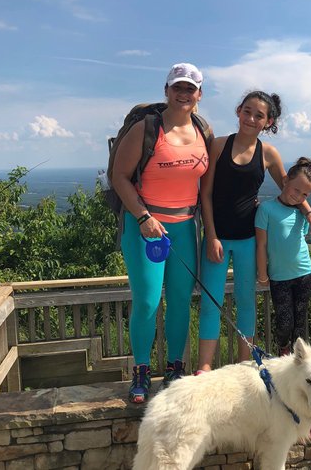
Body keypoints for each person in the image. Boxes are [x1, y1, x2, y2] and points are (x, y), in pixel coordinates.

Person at [197, 91, 311, 373]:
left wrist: (309, 211)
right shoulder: (217, 146)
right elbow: (205, 195)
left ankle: (244, 366)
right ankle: (204, 368)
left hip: (248, 240)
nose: (251, 118)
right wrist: (212, 235)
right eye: (247, 111)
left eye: (259, 115)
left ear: (268, 122)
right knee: (210, 302)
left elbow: (291, 188)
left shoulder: (268, 153)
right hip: (218, 238)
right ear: (238, 110)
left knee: (246, 302)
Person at [112, 63, 213, 403]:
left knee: (181, 302)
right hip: (145, 228)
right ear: (167, 90)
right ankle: (141, 371)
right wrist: (142, 217)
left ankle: (174, 369)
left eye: (190, 88)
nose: (183, 94)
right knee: (147, 301)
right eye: (177, 87)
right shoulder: (146, 129)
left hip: (185, 226)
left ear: (199, 94)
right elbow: (119, 176)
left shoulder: (203, 130)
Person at [255, 157, 311, 356]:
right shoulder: (266, 209)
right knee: (285, 323)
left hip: (304, 272)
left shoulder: (303, 212)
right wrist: (263, 274)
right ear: (285, 181)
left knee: (300, 322)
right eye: (296, 190)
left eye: (305, 194)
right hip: (279, 276)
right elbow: (261, 244)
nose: (299, 196)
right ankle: (284, 352)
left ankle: (300, 361)